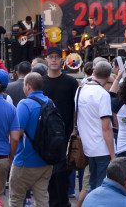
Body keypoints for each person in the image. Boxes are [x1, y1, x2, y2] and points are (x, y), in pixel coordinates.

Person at [40, 46, 78, 207]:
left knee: (62, 176)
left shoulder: (71, 82)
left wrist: (75, 130)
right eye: (51, 57)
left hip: (65, 136)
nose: (54, 59)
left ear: (61, 60)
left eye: (56, 57)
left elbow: (77, 108)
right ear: (46, 59)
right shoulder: (41, 82)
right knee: (46, 176)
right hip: (44, 136)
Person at [8, 72, 53, 207]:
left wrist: (11, 157)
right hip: (46, 161)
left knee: (16, 199)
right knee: (42, 199)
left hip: (25, 161)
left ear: (27, 86)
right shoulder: (50, 102)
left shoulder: (25, 104)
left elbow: (16, 136)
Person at [78, 60, 116, 191]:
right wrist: (113, 155)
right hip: (102, 148)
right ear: (108, 75)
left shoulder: (80, 89)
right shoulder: (103, 95)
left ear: (94, 71)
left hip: (87, 146)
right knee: (101, 187)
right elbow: (106, 127)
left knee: (92, 185)